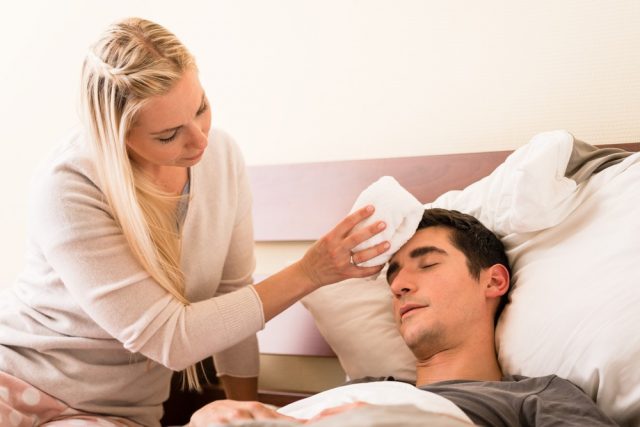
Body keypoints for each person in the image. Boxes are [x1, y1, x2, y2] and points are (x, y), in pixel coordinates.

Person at [0, 17, 389, 427]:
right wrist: (310, 271)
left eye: (201, 108)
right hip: (16, 376)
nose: (200, 139)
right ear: (117, 138)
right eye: (169, 135)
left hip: (111, 414)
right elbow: (170, 337)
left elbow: (232, 296)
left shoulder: (221, 159)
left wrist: (250, 413)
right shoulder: (69, 184)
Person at [188, 208, 618, 426]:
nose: (399, 285)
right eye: (393, 275)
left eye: (427, 265)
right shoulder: (362, 391)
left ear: (493, 282)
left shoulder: (538, 398)